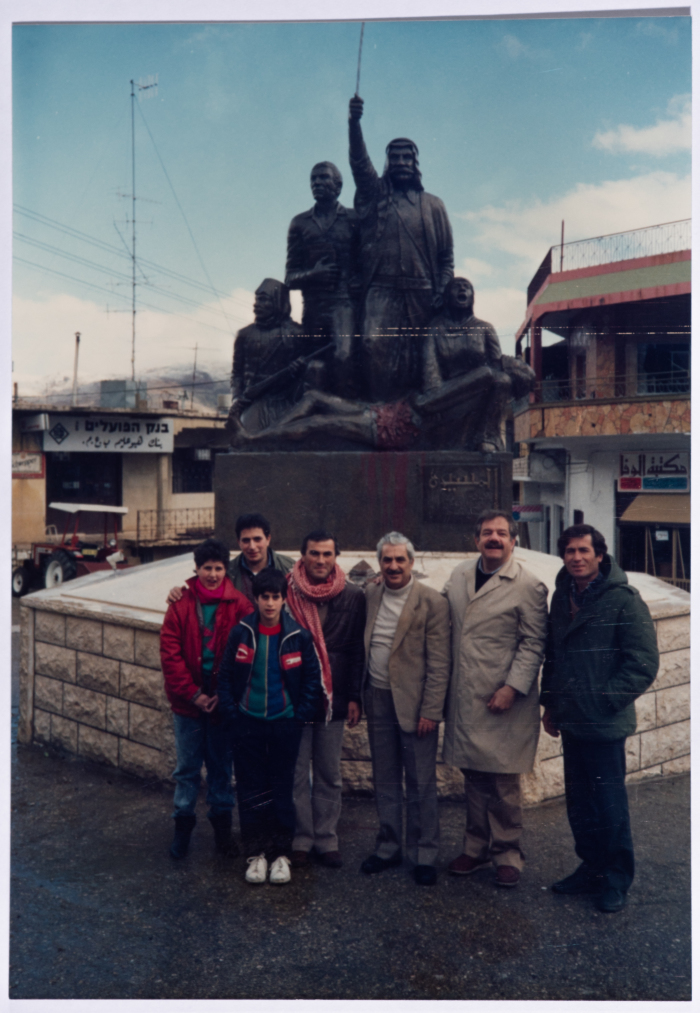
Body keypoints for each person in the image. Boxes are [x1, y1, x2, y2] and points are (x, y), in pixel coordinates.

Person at [540, 524, 659, 913]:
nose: (576, 557)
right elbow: (555, 656)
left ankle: (616, 879)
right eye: (570, 551)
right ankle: (591, 868)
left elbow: (642, 663)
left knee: (608, 804)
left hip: (605, 723)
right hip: (571, 720)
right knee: (580, 803)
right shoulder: (562, 597)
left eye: (584, 551)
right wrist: (551, 704)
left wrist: (605, 700)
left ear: (600, 555)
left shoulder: (624, 600)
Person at [442, 510, 548, 887]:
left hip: (503, 697)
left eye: (502, 533)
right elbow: (439, 611)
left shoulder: (528, 585)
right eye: (487, 532)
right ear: (476, 540)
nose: (494, 539)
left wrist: (512, 687)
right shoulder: (458, 575)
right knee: (473, 776)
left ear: (513, 540)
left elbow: (535, 641)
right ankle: (475, 849)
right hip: (466, 695)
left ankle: (507, 853)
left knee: (503, 781)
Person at [217, 569, 322, 884]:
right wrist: (232, 715)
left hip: (284, 725)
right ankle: (256, 855)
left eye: (276, 597)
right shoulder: (241, 633)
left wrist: (297, 715)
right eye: (265, 597)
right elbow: (224, 677)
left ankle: (280, 855)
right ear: (257, 599)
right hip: (247, 723)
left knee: (281, 790)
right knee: (250, 790)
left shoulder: (298, 636)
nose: (271, 603)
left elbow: (311, 681)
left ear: (284, 599)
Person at [348, 95, 454, 402]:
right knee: (372, 345)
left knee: (421, 355)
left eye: (408, 158)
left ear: (416, 163)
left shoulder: (433, 205)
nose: (402, 163)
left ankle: (419, 420)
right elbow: (358, 163)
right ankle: (379, 415)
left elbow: (446, 257)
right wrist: (354, 123)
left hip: (422, 291)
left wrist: (442, 290)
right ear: (387, 163)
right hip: (380, 290)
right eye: (395, 158)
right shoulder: (375, 196)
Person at [360, 532, 450, 886]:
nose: (393, 566)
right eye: (387, 559)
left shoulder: (431, 602)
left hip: (416, 706)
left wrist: (431, 709)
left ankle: (424, 853)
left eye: (400, 559)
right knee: (384, 778)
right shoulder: (369, 595)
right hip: (378, 698)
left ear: (412, 562)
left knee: (420, 781)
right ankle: (388, 847)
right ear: (380, 563)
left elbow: (440, 663)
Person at [159, 538, 252, 860]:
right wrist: (194, 694)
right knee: (186, 769)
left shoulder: (240, 604)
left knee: (220, 770)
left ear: (226, 570)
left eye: (218, 568)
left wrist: (223, 697)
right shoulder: (180, 603)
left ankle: (223, 835)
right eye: (206, 568)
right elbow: (170, 656)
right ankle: (182, 830)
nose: (212, 574)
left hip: (222, 706)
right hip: (188, 705)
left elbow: (246, 656)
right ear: (196, 569)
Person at [286, 530, 366, 869]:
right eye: (314, 554)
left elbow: (355, 651)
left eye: (327, 554)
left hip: (334, 699)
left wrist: (353, 697)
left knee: (329, 773)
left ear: (337, 557)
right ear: (302, 556)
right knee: (296, 772)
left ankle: (326, 837)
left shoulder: (352, 595)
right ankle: (302, 837)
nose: (320, 560)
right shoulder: (286, 591)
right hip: (296, 697)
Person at [285, 161, 361, 398]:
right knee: (314, 367)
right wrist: (313, 275)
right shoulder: (300, 223)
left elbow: (368, 263)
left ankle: (345, 417)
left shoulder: (354, 219)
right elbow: (289, 278)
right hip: (314, 308)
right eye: (313, 179)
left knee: (343, 358)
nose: (316, 183)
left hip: (344, 305)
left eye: (323, 178)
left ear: (338, 186)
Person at [166, 512, 294, 607]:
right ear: (238, 542)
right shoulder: (226, 571)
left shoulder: (290, 568)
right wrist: (179, 593)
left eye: (257, 539)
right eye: (246, 540)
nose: (252, 546)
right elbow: (202, 589)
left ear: (268, 539)